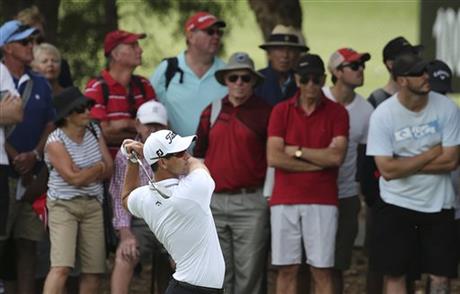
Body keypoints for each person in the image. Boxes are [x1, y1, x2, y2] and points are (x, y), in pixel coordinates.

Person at [366, 54, 460, 294]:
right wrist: (430, 154)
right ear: (402, 80)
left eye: (426, 71)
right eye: (419, 73)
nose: (426, 76)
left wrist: (403, 164)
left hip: (439, 204)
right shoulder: (383, 115)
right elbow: (386, 170)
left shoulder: (447, 108)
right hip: (395, 202)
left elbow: (451, 161)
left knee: (441, 276)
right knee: (395, 273)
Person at [266, 54, 349, 294]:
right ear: (296, 80)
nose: (310, 85)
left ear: (323, 79)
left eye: (315, 79)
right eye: (305, 79)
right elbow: (274, 158)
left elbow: (336, 158)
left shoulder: (337, 112)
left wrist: (298, 152)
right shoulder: (281, 111)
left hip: (322, 200)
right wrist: (319, 162)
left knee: (321, 269)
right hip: (285, 199)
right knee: (286, 268)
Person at [194, 52, 271, 294]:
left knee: (249, 275)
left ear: (253, 81)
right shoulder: (212, 111)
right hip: (214, 202)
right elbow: (198, 157)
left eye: (245, 78)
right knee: (218, 273)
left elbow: (274, 160)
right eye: (233, 77)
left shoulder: (266, 112)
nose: (239, 83)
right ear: (225, 80)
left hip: (251, 201)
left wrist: (267, 197)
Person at [121, 129, 225, 293]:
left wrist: (133, 160)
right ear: (162, 163)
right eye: (180, 153)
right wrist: (144, 154)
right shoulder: (192, 191)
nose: (186, 155)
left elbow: (126, 197)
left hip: (187, 288)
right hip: (193, 289)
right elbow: (197, 165)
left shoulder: (144, 198)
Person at [361, 37, 423, 294]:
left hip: (417, 193)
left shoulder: (424, 98)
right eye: (406, 57)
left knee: (410, 262)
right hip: (383, 194)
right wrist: (373, 196)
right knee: (382, 262)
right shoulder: (377, 101)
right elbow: (367, 156)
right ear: (390, 64)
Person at [0, 19, 55, 294]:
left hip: (33, 176)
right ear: (7, 47)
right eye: (24, 42)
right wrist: (14, 157)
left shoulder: (41, 84)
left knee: (28, 246)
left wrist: (34, 155)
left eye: (33, 41)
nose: (31, 46)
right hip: (5, 172)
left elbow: (50, 123)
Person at [43, 86, 113, 294]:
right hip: (63, 205)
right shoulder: (55, 141)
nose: (87, 112)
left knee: (94, 270)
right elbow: (74, 179)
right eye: (81, 109)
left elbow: (109, 168)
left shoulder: (94, 129)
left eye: (88, 107)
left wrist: (89, 170)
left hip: (93, 204)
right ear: (66, 116)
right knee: (61, 267)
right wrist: (97, 167)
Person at [323, 47, 373, 294]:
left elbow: (365, 160)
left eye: (362, 65)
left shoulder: (366, 110)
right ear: (336, 71)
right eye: (354, 66)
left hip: (346, 194)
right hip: (314, 193)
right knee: (308, 264)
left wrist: (361, 195)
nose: (361, 70)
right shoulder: (317, 96)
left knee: (338, 264)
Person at [109, 100, 171, 294]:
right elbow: (120, 196)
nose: (152, 129)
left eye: (158, 125)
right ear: (137, 124)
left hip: (169, 219)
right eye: (148, 124)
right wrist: (125, 233)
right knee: (125, 254)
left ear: (166, 126)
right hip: (140, 220)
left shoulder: (175, 151)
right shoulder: (125, 154)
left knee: (184, 261)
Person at [150, 11, 227, 136]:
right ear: (190, 36)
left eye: (219, 32)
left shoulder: (228, 73)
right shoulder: (168, 69)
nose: (216, 36)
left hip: (216, 154)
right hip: (174, 154)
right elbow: (149, 107)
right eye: (210, 32)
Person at [85, 29, 156, 158]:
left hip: (143, 171)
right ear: (115, 54)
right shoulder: (96, 88)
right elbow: (101, 135)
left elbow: (157, 131)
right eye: (133, 46)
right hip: (108, 172)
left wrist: (122, 124)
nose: (140, 50)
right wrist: (139, 130)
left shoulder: (144, 85)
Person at [16, 5, 74, 88]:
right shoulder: (10, 69)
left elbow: (70, 97)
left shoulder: (60, 66)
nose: (35, 46)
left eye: (40, 40)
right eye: (28, 41)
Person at [255, 24, 309, 106]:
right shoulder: (256, 80)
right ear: (269, 54)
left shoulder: (304, 81)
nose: (285, 55)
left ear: (297, 55)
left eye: (290, 50)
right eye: (279, 49)